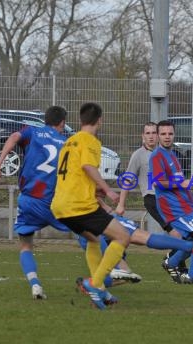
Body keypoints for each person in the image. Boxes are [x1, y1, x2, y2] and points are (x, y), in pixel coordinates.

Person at [51, 102, 132, 310]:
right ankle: (95, 284)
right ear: (100, 120)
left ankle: (101, 293)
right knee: (122, 236)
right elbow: (88, 167)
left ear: (80, 120)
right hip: (80, 205)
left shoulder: (69, 141)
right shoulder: (91, 141)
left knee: (93, 240)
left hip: (60, 206)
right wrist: (107, 189)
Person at [0, 106, 69, 300]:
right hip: (55, 203)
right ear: (62, 123)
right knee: (89, 234)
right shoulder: (67, 142)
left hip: (29, 200)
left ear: (45, 120)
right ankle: (106, 277)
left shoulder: (32, 131)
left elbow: (14, 137)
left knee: (25, 245)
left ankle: (35, 284)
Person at [115, 121, 187, 278]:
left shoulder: (168, 155)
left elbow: (178, 181)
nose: (151, 137)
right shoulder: (138, 155)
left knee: (186, 234)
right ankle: (177, 267)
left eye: (154, 133)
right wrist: (121, 204)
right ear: (143, 136)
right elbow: (128, 181)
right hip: (153, 199)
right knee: (177, 234)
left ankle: (174, 265)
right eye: (147, 133)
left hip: (170, 199)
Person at [149, 119, 193, 285]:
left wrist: (192, 197)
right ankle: (191, 277)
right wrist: (180, 184)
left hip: (184, 204)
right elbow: (158, 182)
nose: (167, 137)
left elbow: (181, 182)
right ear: (158, 136)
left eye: (170, 133)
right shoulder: (157, 156)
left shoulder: (173, 155)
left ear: (174, 134)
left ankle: (172, 263)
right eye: (163, 134)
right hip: (172, 207)